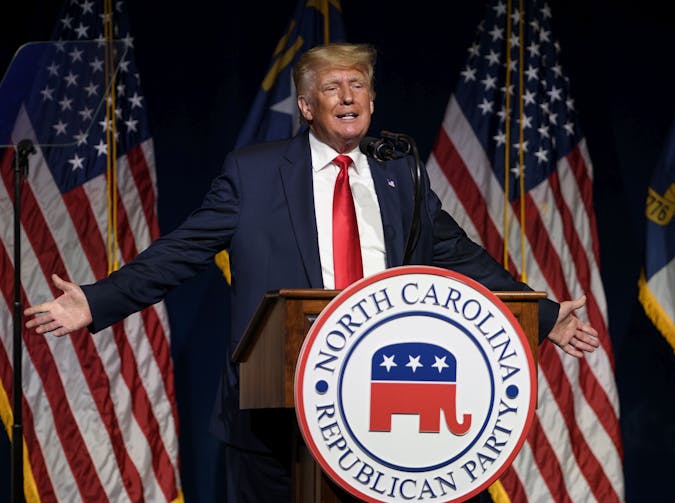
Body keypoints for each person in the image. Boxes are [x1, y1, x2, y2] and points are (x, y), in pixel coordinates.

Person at [25, 43, 600, 502]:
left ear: (372, 101)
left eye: (358, 86)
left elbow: (455, 253)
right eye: (332, 88)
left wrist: (543, 314)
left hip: (376, 420)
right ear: (306, 106)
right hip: (274, 420)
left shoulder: (399, 172)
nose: (348, 97)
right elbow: (182, 250)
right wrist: (98, 301)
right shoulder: (254, 173)